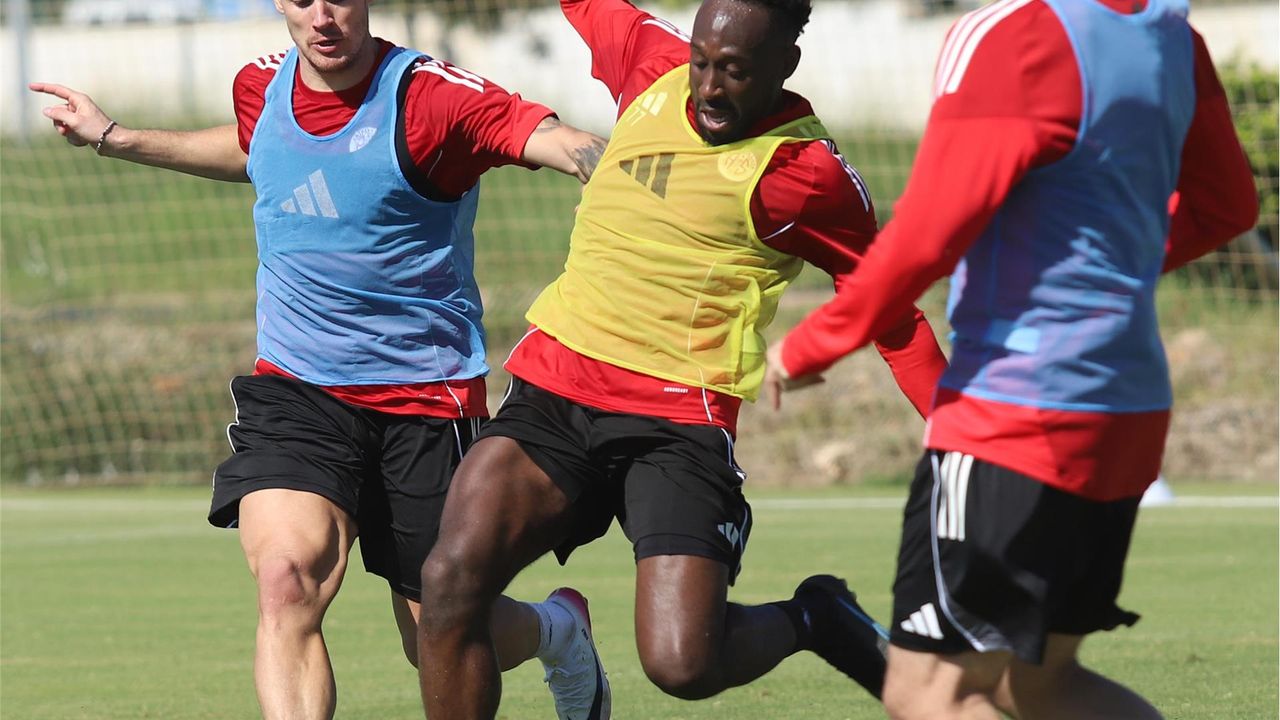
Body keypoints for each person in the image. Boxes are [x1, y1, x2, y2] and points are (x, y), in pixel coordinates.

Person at [31, 1, 616, 718]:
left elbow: (560, 141)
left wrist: (631, 191)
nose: (323, 16)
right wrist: (116, 138)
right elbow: (258, 150)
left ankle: (558, 630)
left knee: (438, 633)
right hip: (299, 391)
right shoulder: (259, 83)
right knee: (285, 582)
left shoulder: (431, 98)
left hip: (424, 400)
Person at [415, 0, 949, 716]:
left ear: (785, 65)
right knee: (450, 582)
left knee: (682, 663)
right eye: (701, 62)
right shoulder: (650, 62)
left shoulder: (804, 173)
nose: (709, 86)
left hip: (676, 424)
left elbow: (893, 312)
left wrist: (959, 434)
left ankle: (814, 617)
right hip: (556, 394)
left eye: (734, 70)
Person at [765, 0, 1259, 717]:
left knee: (928, 689)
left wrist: (817, 342)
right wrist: (1098, 281)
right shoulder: (1170, 36)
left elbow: (929, 231)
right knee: (1038, 685)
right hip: (1127, 410)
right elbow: (1228, 207)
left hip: (1017, 410)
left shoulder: (1012, 37)